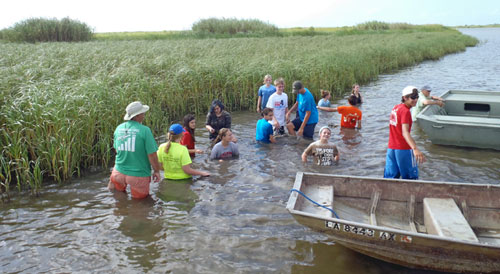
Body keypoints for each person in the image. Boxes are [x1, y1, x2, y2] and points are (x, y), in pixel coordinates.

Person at [109, 101, 161, 199]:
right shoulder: (145, 130)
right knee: (140, 205)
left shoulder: (119, 128)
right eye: (143, 113)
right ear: (137, 116)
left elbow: (117, 150)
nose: (144, 115)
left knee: (119, 200)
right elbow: (152, 155)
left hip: (118, 173)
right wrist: (156, 171)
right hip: (138, 175)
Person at [384, 86, 426, 179]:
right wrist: (415, 149)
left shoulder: (396, 108)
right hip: (403, 149)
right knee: (410, 178)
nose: (416, 100)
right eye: (413, 97)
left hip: (391, 148)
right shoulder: (405, 111)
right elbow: (405, 132)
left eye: (417, 97)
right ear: (405, 98)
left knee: (390, 177)